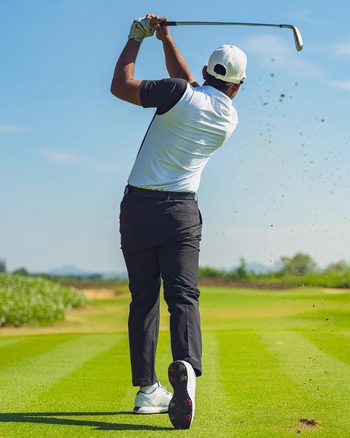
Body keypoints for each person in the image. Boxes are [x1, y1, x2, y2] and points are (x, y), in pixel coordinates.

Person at [110, 14, 246, 430]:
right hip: (182, 215)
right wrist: (166, 39)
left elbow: (121, 85)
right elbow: (191, 86)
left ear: (208, 72)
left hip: (138, 209)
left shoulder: (177, 93)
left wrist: (137, 38)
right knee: (184, 297)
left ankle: (148, 389)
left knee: (144, 299)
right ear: (237, 87)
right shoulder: (227, 118)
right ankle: (185, 365)